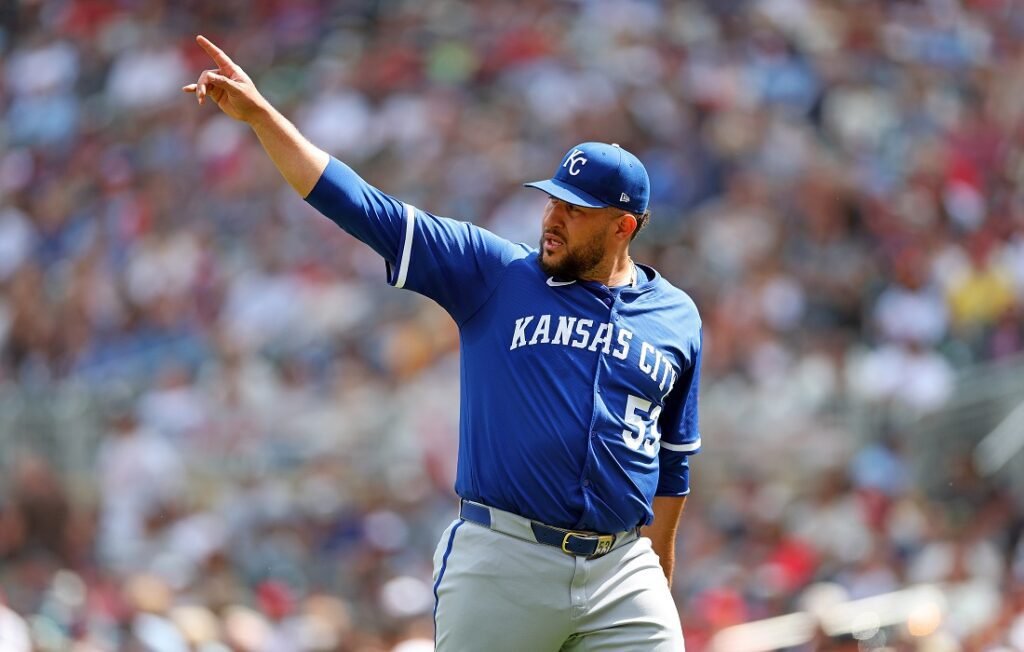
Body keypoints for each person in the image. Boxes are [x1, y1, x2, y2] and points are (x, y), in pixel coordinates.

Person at [184, 34, 702, 651]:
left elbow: (673, 464)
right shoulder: (495, 274)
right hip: (504, 557)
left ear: (624, 226)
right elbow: (364, 207)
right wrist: (264, 118)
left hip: (622, 570)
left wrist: (658, 578)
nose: (552, 218)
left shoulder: (676, 317)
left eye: (577, 209)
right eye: (553, 200)